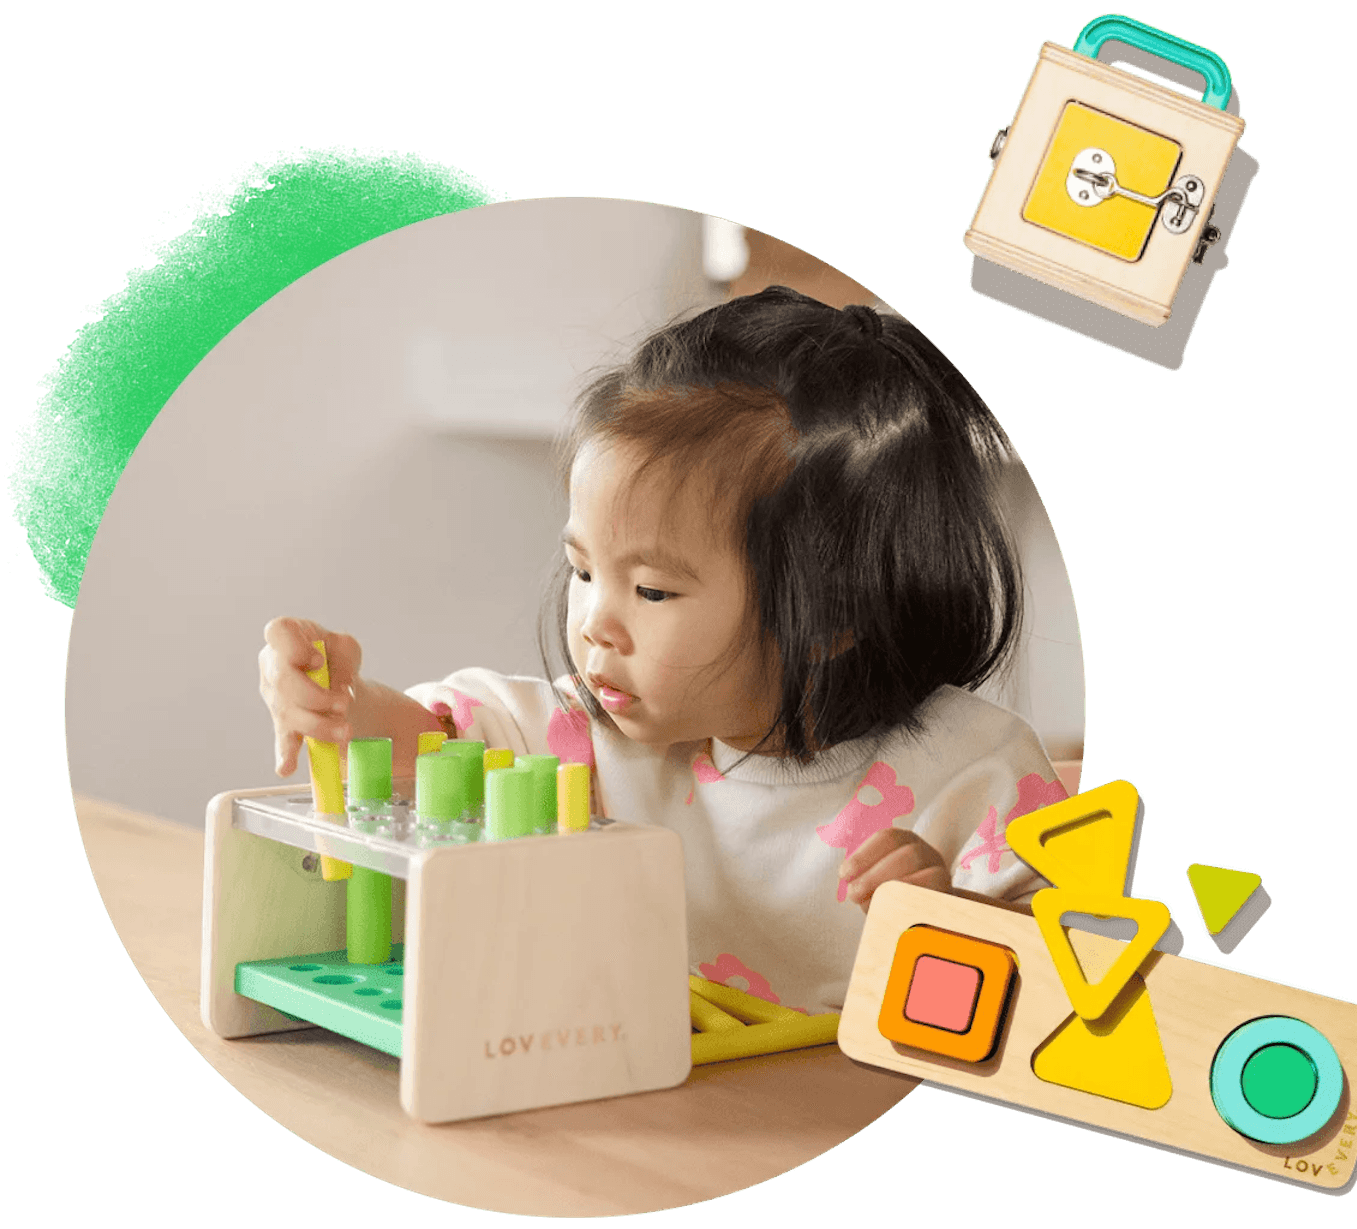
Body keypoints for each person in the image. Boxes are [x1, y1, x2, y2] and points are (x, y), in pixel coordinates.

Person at [258, 286, 1068, 1013]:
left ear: (829, 613)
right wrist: (337, 700)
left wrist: (961, 924)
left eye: (651, 590)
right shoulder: (590, 734)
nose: (594, 624)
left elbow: (1069, 987)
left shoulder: (976, 774)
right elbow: (427, 754)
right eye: (582, 569)